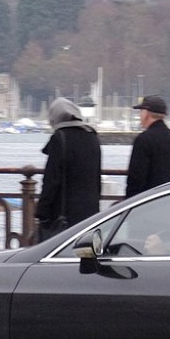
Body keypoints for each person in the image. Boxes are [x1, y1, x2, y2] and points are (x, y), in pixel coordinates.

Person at [35, 97, 102, 241]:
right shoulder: (92, 137)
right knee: (85, 256)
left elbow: (51, 180)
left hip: (63, 215)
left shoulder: (60, 138)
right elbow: (97, 177)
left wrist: (42, 212)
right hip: (90, 213)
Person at [125, 94, 170, 198]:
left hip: (150, 204)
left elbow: (135, 179)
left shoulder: (143, 140)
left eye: (141, 112)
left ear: (146, 113)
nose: (140, 116)